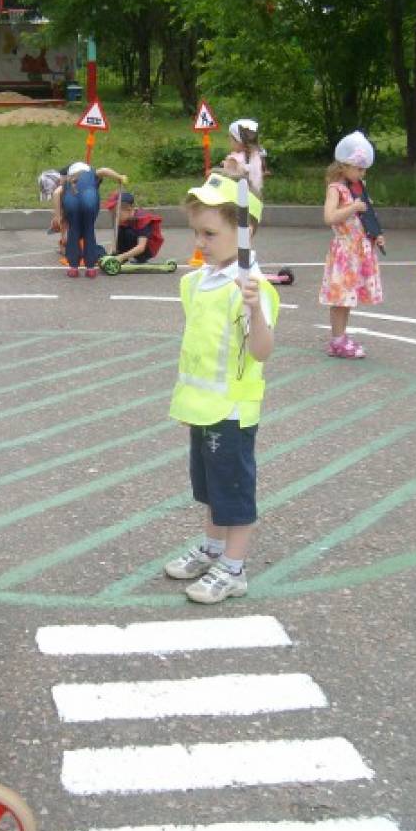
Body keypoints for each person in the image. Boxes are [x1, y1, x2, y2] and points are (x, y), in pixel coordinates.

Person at [163, 173, 279, 604]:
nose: (201, 241)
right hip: (203, 408)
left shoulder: (250, 288)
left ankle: (233, 569)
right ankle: (212, 549)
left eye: (210, 233)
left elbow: (263, 351)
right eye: (197, 232)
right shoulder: (200, 281)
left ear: (244, 233)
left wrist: (256, 312)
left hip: (231, 411)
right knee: (210, 487)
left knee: (233, 492)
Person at [320, 130, 384, 359]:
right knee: (340, 298)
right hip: (344, 252)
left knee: (348, 299)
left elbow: (366, 215)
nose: (362, 173)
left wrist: (375, 234)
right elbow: (329, 217)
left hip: (358, 250)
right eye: (358, 168)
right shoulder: (335, 189)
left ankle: (341, 337)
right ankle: (337, 340)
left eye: (364, 169)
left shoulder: (358, 187)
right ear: (344, 166)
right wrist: (352, 208)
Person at [53, 162, 128, 277]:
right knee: (89, 231)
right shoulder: (92, 172)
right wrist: (119, 177)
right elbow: (104, 170)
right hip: (90, 198)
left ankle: (73, 268)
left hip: (71, 202)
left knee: (73, 232)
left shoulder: (68, 178)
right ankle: (90, 268)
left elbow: (56, 193)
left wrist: (57, 216)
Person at [103, 190, 165, 265]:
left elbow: (141, 247)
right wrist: (110, 255)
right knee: (120, 230)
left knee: (128, 232)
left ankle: (140, 259)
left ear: (129, 209)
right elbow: (115, 240)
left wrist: (121, 257)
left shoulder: (142, 219)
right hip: (133, 243)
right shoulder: (123, 220)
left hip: (146, 249)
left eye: (116, 214)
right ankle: (119, 255)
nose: (114, 217)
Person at [220, 118, 267, 198]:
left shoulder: (234, 159)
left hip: (239, 199)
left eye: (230, 138)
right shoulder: (258, 155)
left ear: (238, 141)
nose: (229, 141)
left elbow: (228, 178)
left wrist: (225, 166)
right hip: (255, 197)